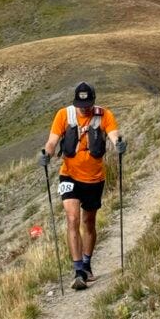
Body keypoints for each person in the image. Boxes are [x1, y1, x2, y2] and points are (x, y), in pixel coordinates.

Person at [39, 82, 125, 290]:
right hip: (68, 176)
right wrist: (46, 154)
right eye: (80, 105)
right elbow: (52, 142)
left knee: (89, 222)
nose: (84, 109)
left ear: (93, 101)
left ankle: (86, 264)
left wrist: (119, 144)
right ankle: (78, 271)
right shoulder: (63, 115)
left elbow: (114, 135)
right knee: (72, 219)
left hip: (95, 179)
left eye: (87, 105)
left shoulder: (105, 115)